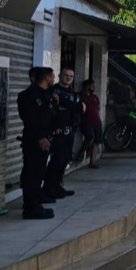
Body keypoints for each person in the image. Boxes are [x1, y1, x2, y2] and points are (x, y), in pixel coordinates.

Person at [18, 67, 58, 220]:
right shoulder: (30, 96)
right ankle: (31, 207)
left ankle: (34, 202)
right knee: (33, 173)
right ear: (47, 78)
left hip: (45, 138)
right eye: (52, 76)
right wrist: (41, 136)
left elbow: (50, 116)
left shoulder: (47, 95)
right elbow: (31, 120)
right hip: (35, 140)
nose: (54, 79)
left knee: (38, 172)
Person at [43, 69, 85, 198]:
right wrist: (73, 106)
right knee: (57, 160)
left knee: (65, 160)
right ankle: (49, 189)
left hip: (70, 131)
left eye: (71, 76)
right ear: (60, 76)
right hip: (58, 131)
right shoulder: (54, 91)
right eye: (66, 75)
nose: (68, 78)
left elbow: (81, 108)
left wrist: (69, 105)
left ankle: (58, 187)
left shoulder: (73, 93)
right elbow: (58, 108)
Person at [76, 79, 102, 169]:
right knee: (90, 137)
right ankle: (82, 151)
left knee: (97, 141)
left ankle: (93, 162)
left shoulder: (95, 97)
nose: (94, 88)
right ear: (87, 86)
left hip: (97, 122)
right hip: (86, 121)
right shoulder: (79, 96)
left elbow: (98, 108)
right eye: (92, 86)